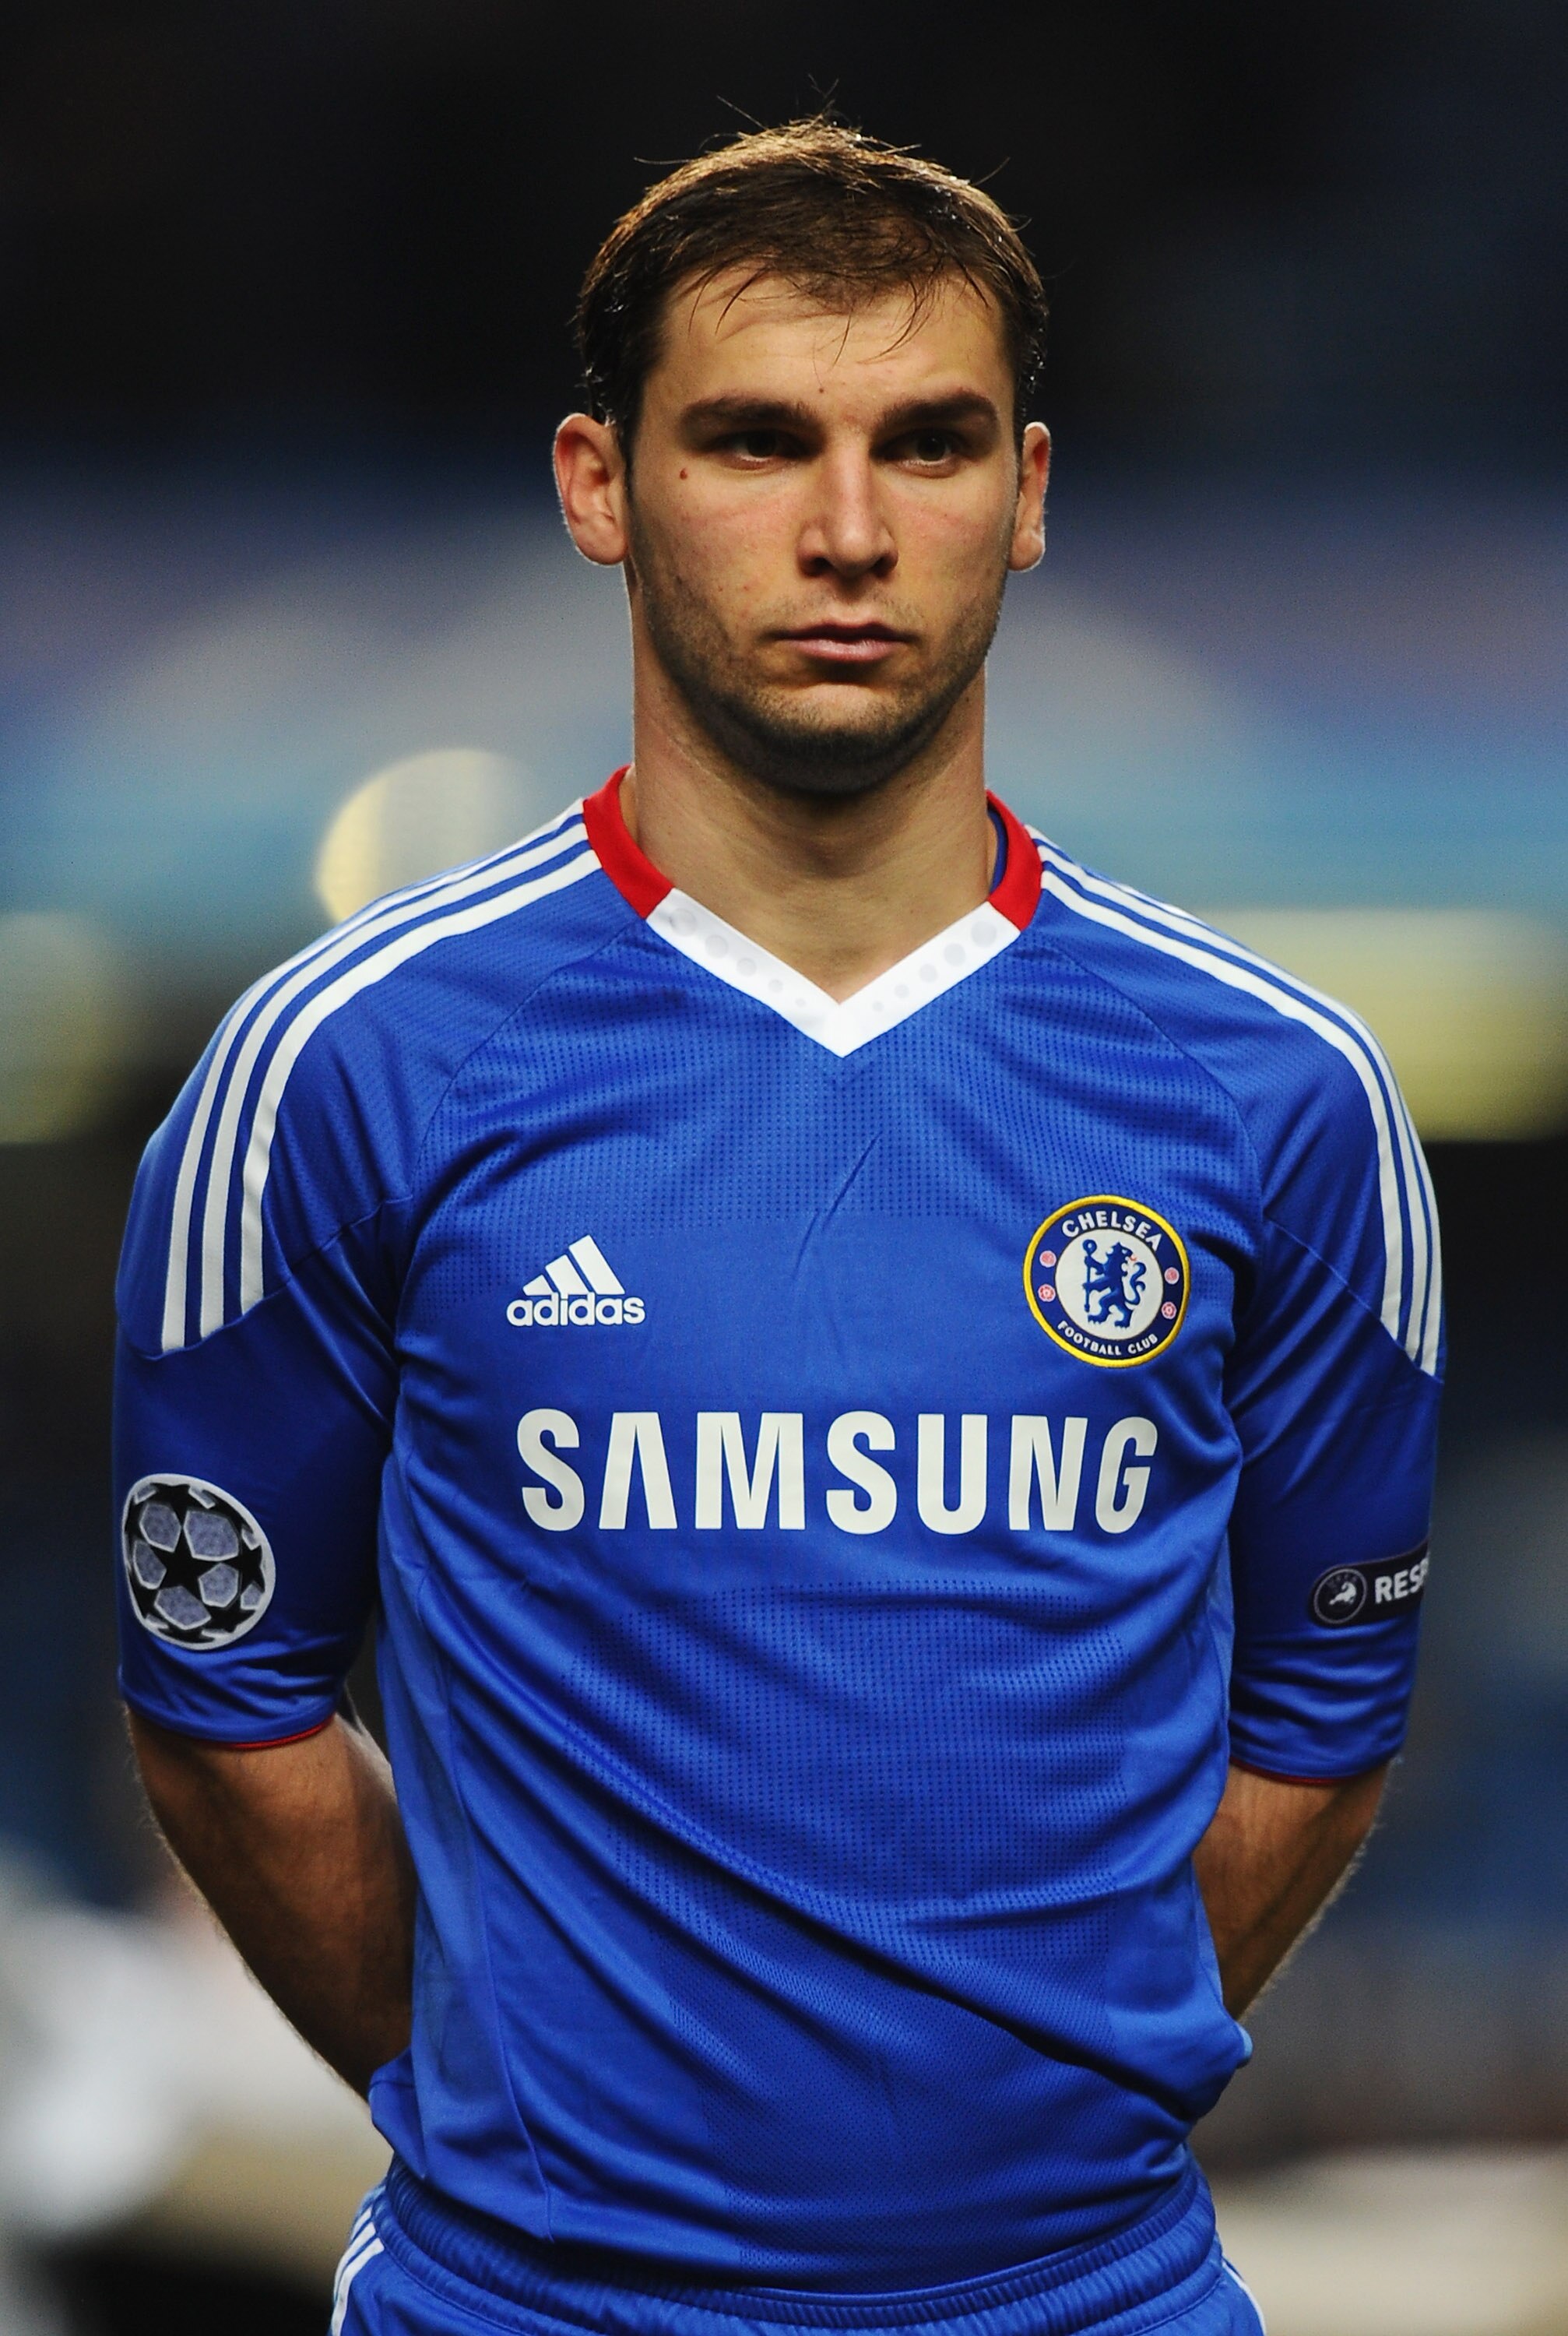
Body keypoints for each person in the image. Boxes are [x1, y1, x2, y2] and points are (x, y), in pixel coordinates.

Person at [114, 120, 1442, 2336]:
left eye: (926, 446)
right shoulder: (341, 1067)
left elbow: (1322, 1711)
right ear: (596, 486)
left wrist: (1031, 2114)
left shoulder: (1279, 1093)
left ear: (1025, 493)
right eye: (754, 440)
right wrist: (490, 2093)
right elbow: (218, 1690)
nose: (847, 533)